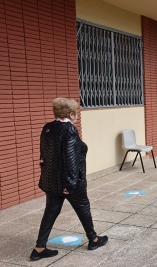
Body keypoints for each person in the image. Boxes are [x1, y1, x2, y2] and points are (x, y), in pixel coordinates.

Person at [30, 98, 108, 261]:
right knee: (83, 207)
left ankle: (39, 248)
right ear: (71, 113)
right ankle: (93, 239)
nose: (77, 115)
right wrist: (71, 184)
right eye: (76, 112)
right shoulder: (69, 130)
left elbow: (43, 155)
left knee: (51, 211)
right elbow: (71, 159)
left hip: (52, 181)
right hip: (69, 182)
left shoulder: (48, 128)